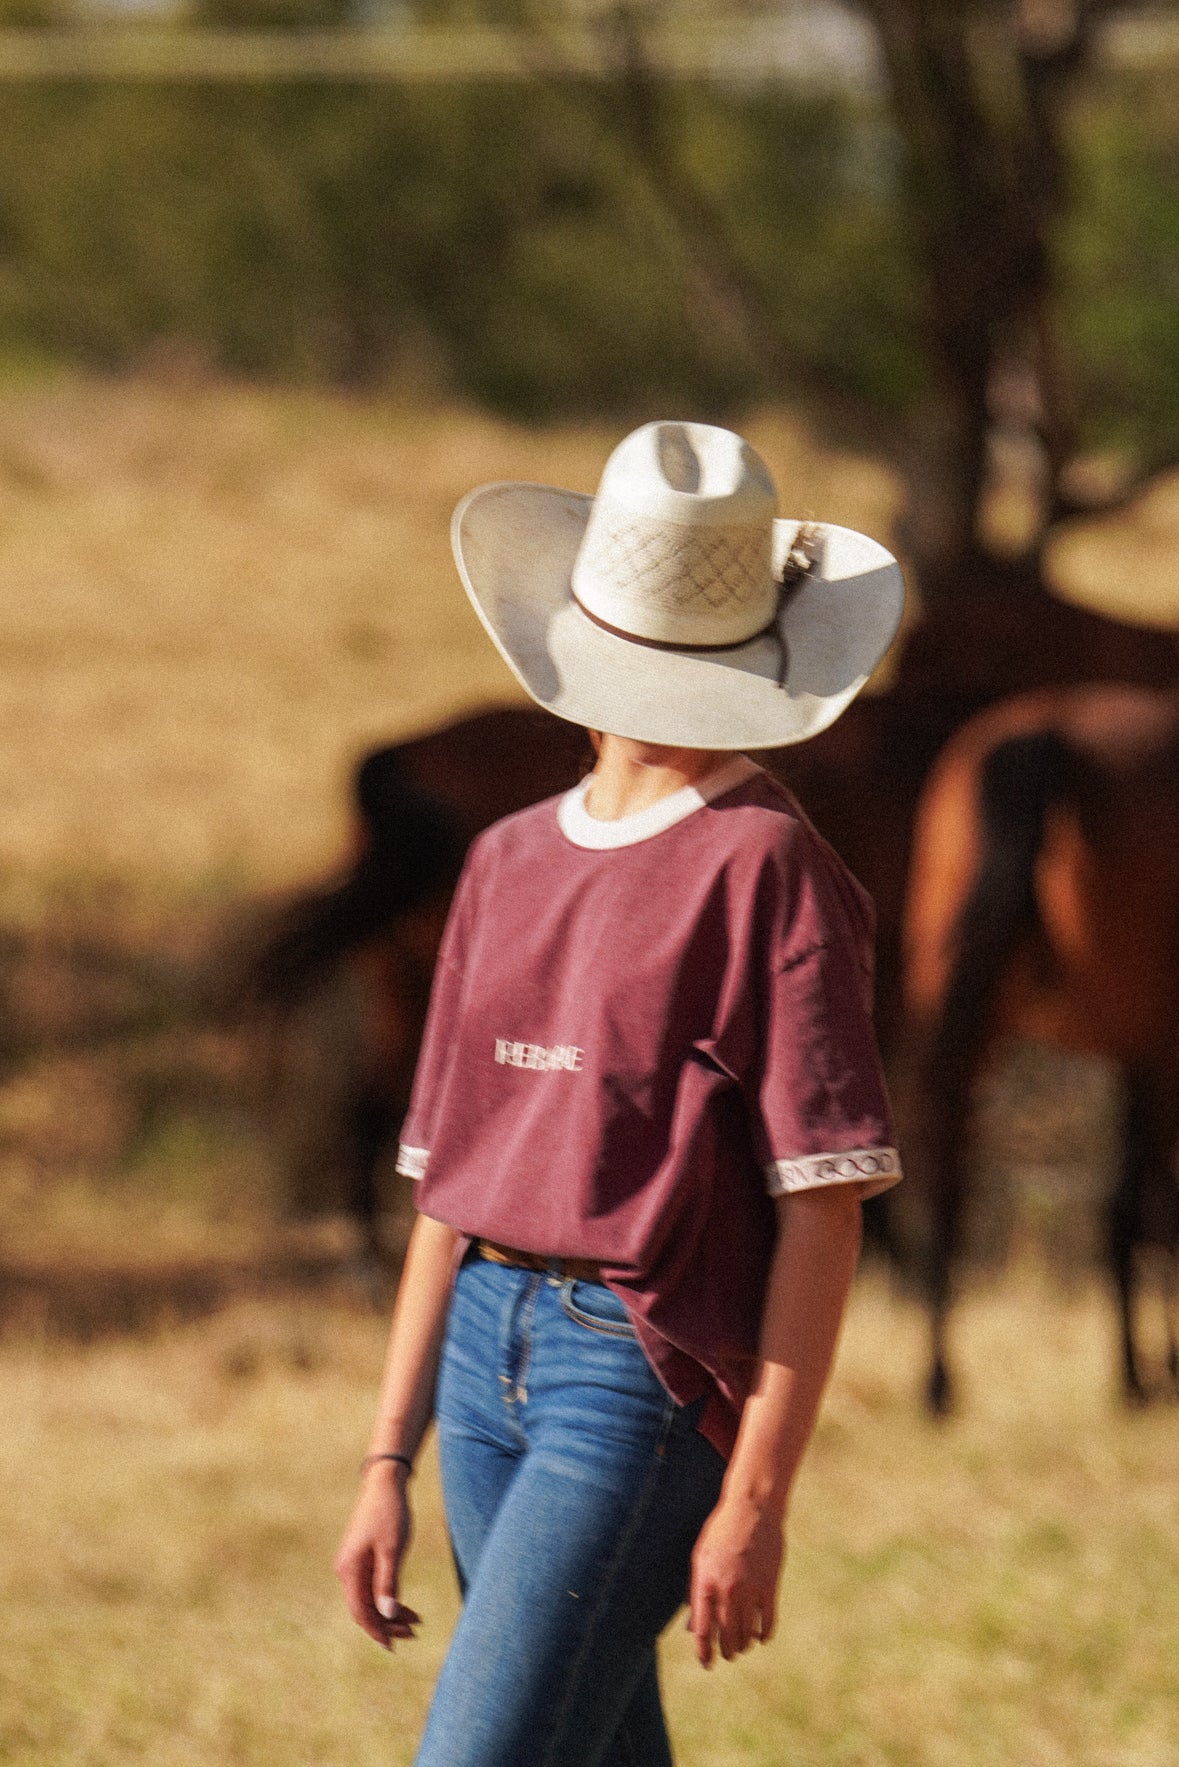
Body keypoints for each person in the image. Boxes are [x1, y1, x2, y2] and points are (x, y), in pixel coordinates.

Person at [334, 420, 906, 1766]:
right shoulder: (503, 860)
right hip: (482, 1358)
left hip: (635, 1375)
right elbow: (445, 1193)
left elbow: (823, 1210)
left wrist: (757, 1496)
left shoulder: (771, 868)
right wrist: (383, 1462)